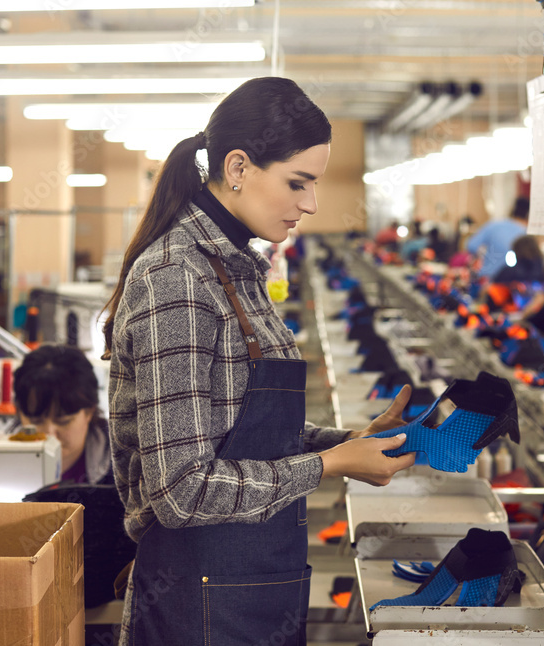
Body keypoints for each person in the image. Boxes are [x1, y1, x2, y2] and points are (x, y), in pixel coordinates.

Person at [100, 77, 415, 645]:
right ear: (239, 167)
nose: (311, 204)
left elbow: (236, 425)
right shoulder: (178, 280)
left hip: (249, 591)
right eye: (298, 183)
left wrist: (344, 440)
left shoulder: (233, 267)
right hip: (197, 605)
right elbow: (182, 490)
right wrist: (333, 465)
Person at [12, 344, 112, 485]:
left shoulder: (120, 467)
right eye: (36, 421)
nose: (49, 434)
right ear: (19, 411)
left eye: (63, 421)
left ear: (89, 412)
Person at [467, 196, 529, 280]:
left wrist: (485, 255)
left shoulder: (494, 225)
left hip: (487, 278)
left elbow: (471, 245)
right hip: (511, 282)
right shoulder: (525, 234)